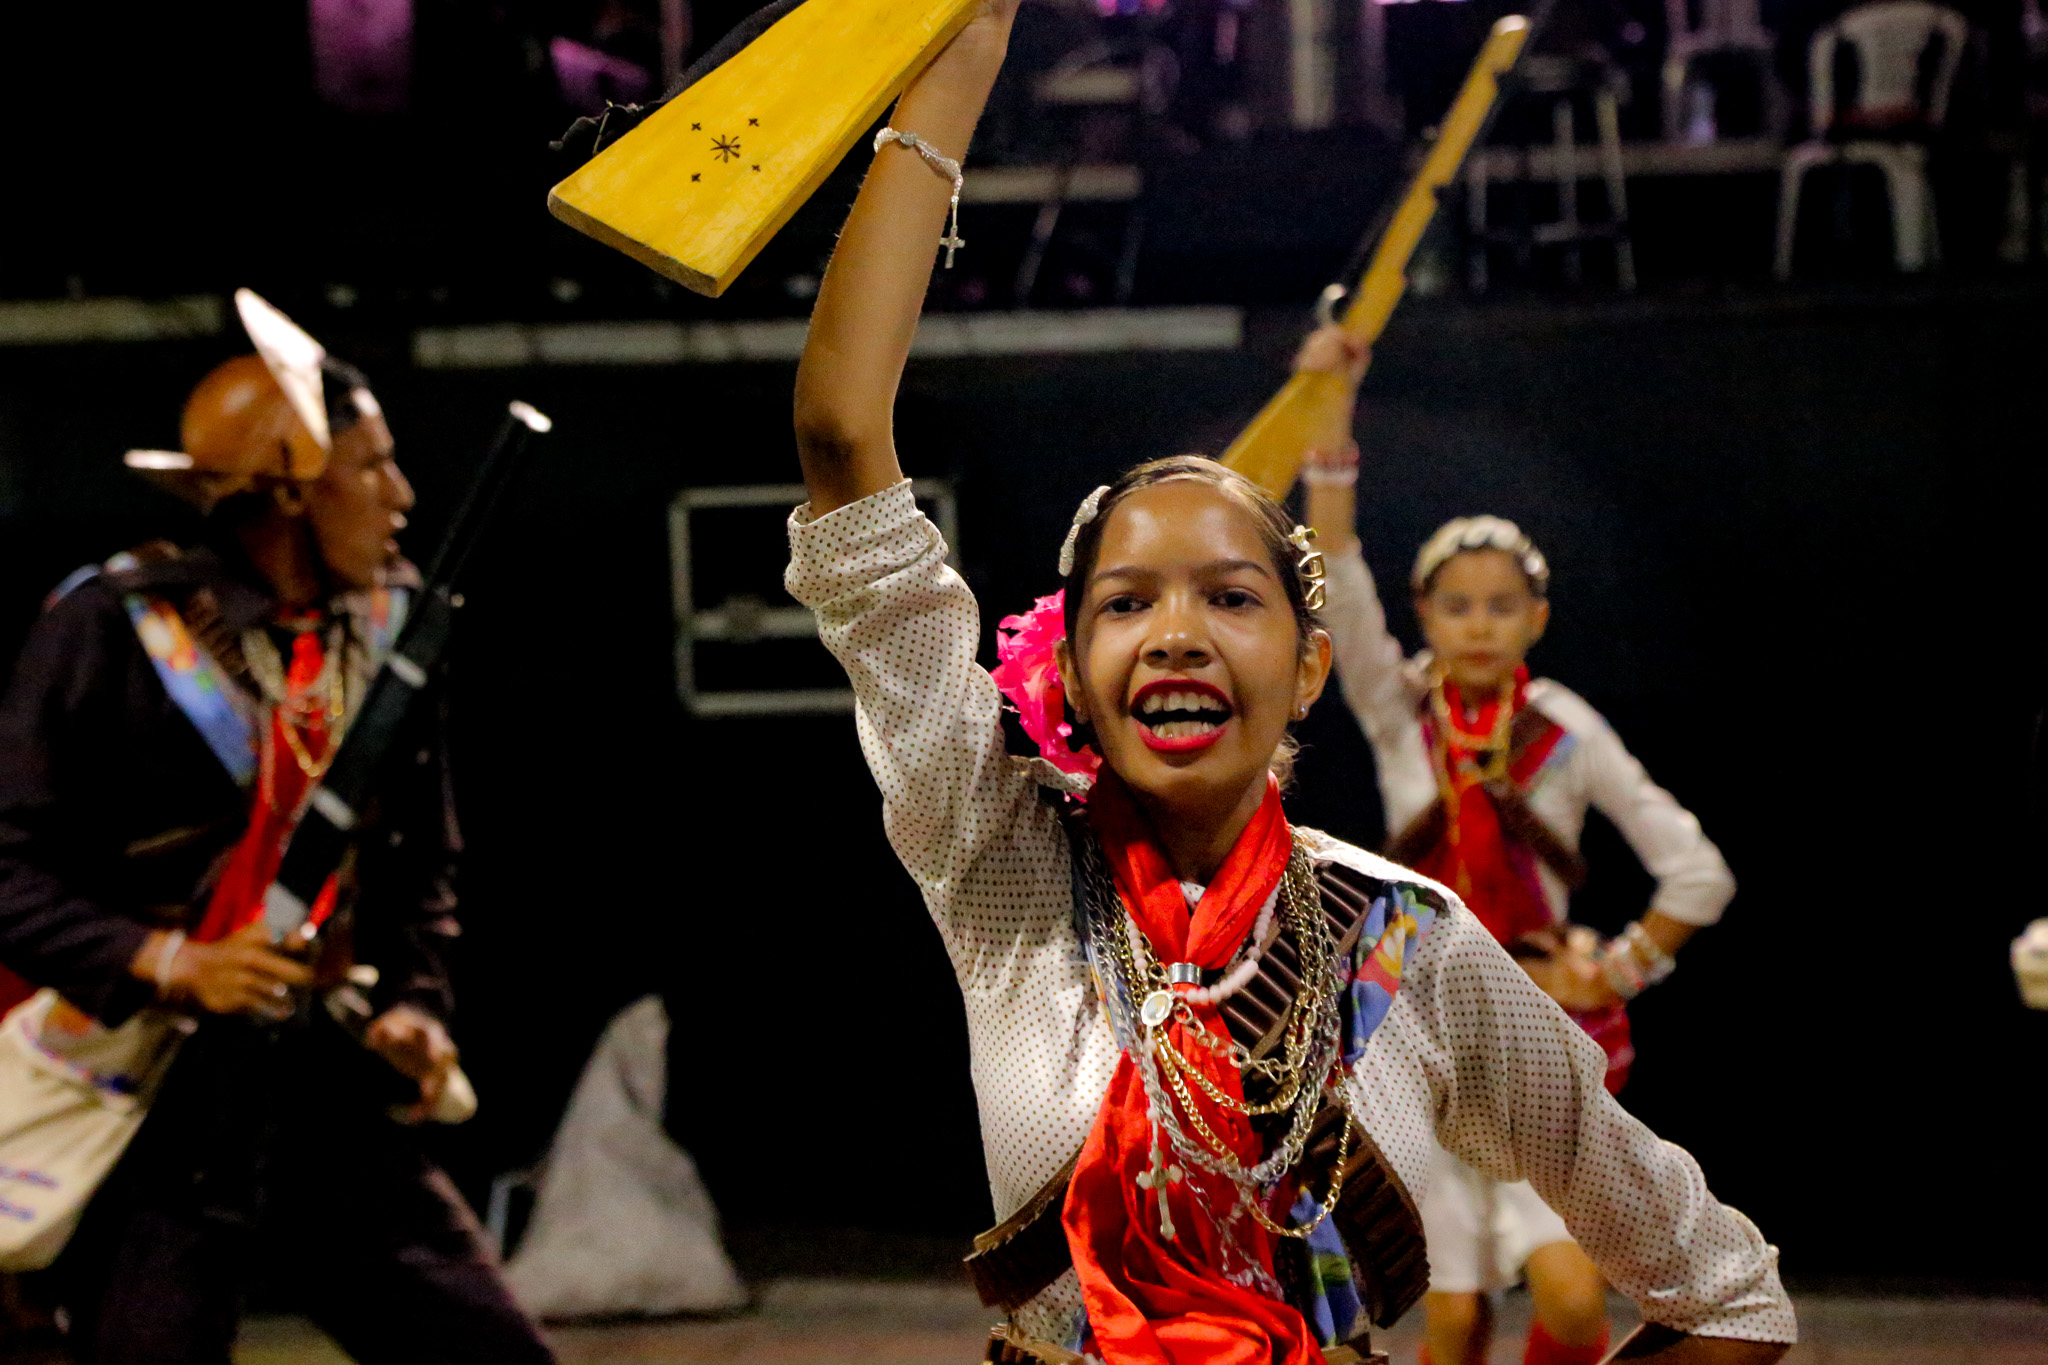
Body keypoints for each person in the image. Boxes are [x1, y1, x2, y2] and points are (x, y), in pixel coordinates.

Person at [782, 4, 1792, 1362]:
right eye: (1128, 603)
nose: (1179, 632)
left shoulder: (1411, 946)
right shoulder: (1005, 868)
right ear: (1067, 676)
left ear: (1311, 665)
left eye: (1231, 597)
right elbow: (844, 434)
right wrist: (958, 71)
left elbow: (1728, 1296)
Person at [0, 292, 556, 1365]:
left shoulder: (389, 630)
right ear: (293, 493)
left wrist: (414, 1005)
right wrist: (169, 960)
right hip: (152, 1096)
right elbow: (7, 867)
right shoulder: (113, 631)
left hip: (320, 1083)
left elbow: (421, 863)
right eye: (368, 467)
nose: (400, 496)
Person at [1294, 327, 1739, 1365]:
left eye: (1500, 607)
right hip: (1414, 1026)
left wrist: (1620, 964)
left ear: (1536, 616)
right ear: (1423, 616)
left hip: (1532, 1025)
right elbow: (1337, 569)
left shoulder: (1564, 731)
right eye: (1455, 606)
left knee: (1577, 1305)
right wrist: (1329, 410)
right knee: (1449, 1318)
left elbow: (1696, 870)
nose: (1478, 626)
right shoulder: (1400, 711)